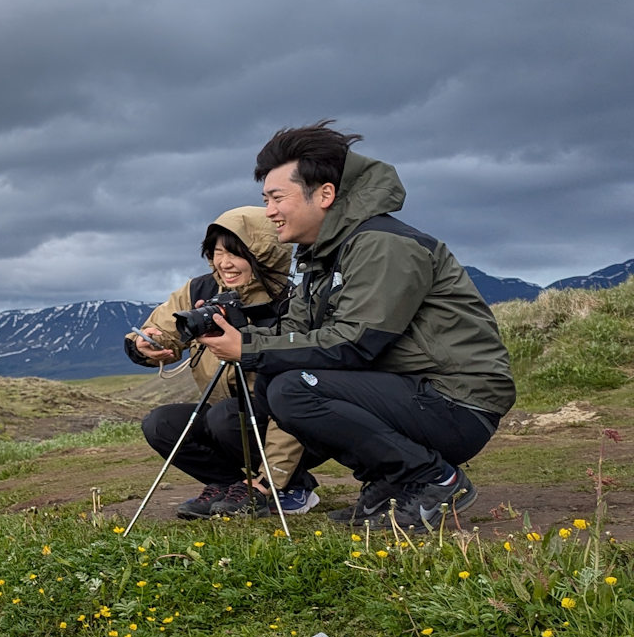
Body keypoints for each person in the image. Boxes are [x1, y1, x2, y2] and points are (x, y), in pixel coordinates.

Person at [199, 122, 515, 529]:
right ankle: (392, 481)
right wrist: (237, 334)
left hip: (457, 402)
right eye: (265, 200)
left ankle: (433, 478)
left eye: (277, 198)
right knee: (269, 392)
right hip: (409, 394)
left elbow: (357, 342)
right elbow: (295, 331)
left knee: (294, 389)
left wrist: (251, 350)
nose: (270, 212)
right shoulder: (321, 257)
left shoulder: (382, 244)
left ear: (325, 193)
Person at [129, 206, 319, 518]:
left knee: (226, 415)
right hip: (228, 417)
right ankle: (230, 485)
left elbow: (300, 393)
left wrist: (273, 479)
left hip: (291, 424)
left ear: (265, 255)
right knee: (160, 424)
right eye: (217, 252)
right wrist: (145, 344)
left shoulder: (295, 305)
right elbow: (163, 328)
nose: (224, 263)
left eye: (236, 253)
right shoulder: (201, 290)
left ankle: (288, 487)